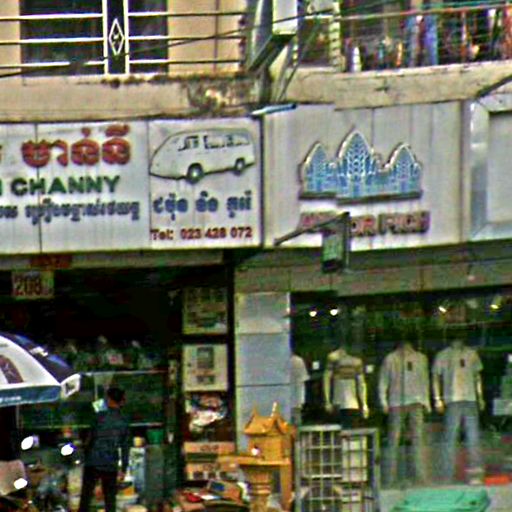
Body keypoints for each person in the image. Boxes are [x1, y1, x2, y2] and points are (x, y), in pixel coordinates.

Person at [432, 328, 485, 484]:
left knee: (473, 437)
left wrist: (480, 397)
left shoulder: (471, 354)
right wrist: (437, 399)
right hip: (453, 399)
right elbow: (435, 377)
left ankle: (475, 475)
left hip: (469, 398)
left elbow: (477, 377)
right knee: (450, 437)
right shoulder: (443, 355)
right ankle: (446, 475)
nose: (459, 340)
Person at [379, 336, 430, 485]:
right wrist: (383, 401)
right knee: (393, 441)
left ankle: (420, 477)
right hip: (397, 403)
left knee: (417, 440)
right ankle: (389, 478)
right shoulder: (390, 359)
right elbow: (383, 381)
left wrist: (426, 401)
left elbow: (424, 380)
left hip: (415, 402)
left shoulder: (421, 358)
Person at [78, 387, 130, 512]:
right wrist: (124, 468)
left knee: (86, 497)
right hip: (110, 463)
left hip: (93, 461)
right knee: (110, 499)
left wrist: (85, 453)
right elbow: (125, 446)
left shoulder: (99, 417)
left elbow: (89, 438)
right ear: (121, 401)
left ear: (109, 399)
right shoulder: (123, 421)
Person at [323, 342, 369, 428]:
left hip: (346, 403)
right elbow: (361, 384)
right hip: (343, 403)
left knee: (343, 430)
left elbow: (361, 384)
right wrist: (364, 404)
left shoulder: (335, 358)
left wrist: (364, 404)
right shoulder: (334, 359)